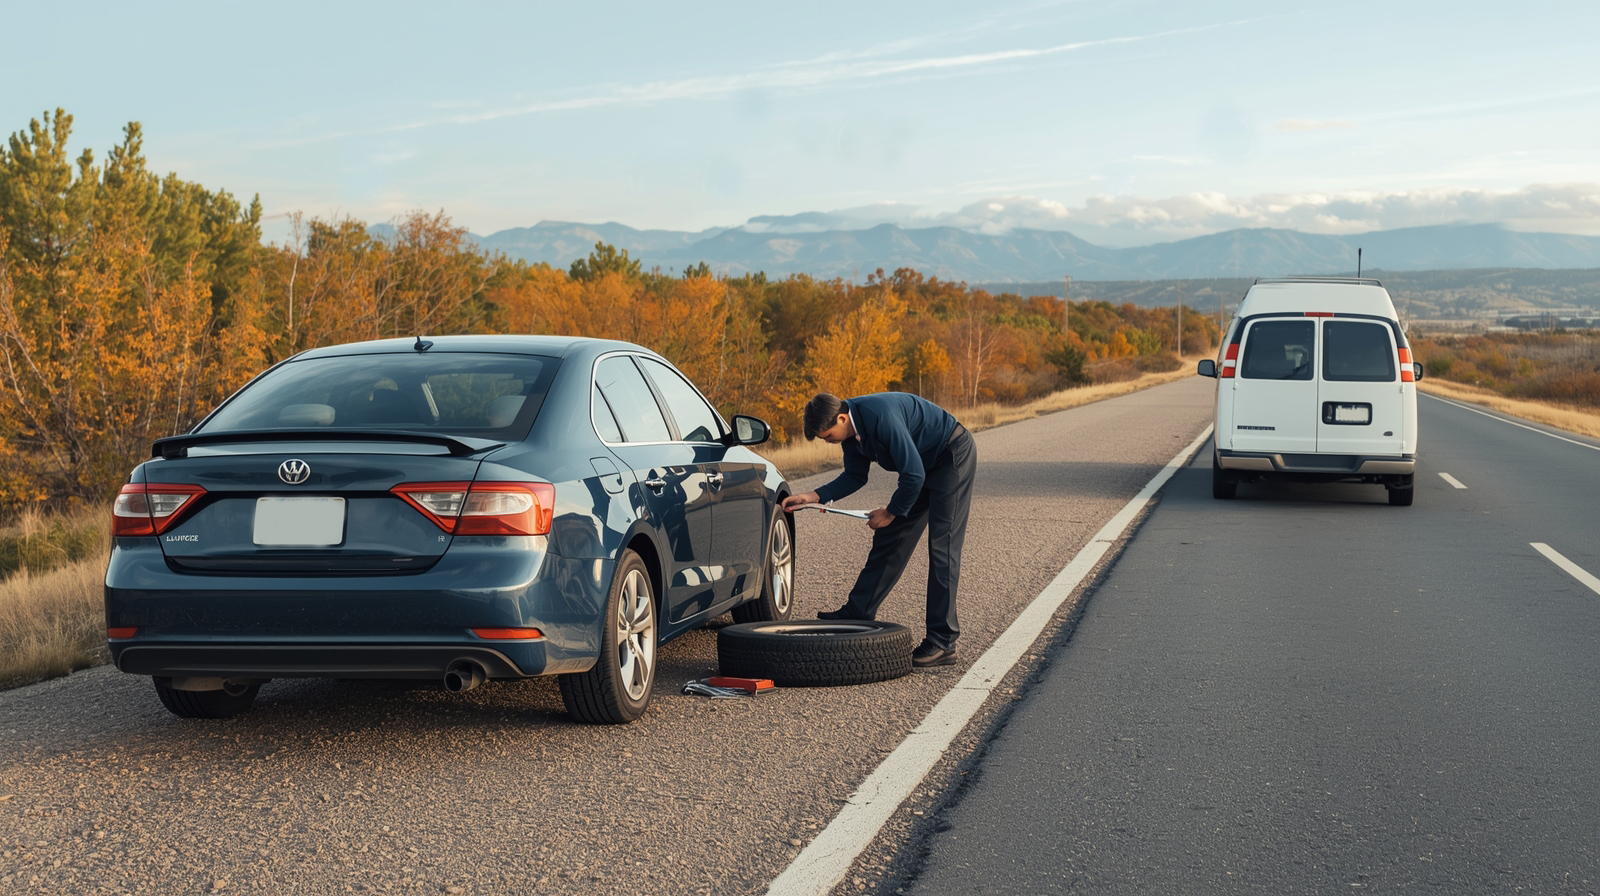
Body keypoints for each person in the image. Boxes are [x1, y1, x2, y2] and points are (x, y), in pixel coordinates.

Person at [781, 392, 977, 667]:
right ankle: (858, 612)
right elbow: (855, 476)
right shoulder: (851, 432)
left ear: (841, 417)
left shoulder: (879, 417)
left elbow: (913, 475)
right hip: (922, 466)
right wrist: (812, 496)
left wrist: (891, 512)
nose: (829, 442)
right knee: (891, 534)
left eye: (828, 436)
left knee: (942, 548)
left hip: (951, 457)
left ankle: (943, 642)